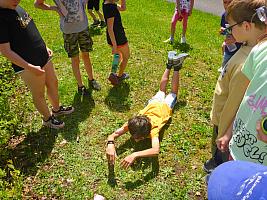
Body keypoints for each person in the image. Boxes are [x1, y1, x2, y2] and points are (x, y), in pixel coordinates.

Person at [203, 0, 267, 173]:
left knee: (221, 158)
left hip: (225, 124)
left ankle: (218, 168)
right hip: (223, 119)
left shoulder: (247, 61)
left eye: (231, 26)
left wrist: (224, 131)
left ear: (246, 26)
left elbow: (236, 103)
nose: (229, 30)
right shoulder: (249, 48)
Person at [106, 52, 188, 168]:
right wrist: (110, 144)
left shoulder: (153, 130)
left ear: (146, 135)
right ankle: (170, 64)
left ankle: (175, 66)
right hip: (154, 103)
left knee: (170, 92)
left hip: (164, 106)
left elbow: (155, 150)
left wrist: (135, 154)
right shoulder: (132, 124)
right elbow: (113, 135)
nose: (136, 140)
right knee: (162, 91)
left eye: (138, 138)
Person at [0, 0, 74, 129]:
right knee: (38, 93)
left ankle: (56, 109)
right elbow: (6, 51)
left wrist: (44, 46)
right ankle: (47, 119)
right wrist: (29, 67)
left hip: (42, 55)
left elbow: (31, 29)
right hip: (27, 64)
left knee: (53, 82)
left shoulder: (16, 6)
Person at [34, 0, 101, 94]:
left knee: (86, 55)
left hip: (83, 28)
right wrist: (54, 8)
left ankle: (91, 80)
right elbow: (37, 4)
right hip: (69, 32)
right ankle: (80, 86)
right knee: (75, 59)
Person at [103, 0, 130, 86]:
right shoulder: (111, 8)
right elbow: (110, 28)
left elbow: (123, 8)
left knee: (117, 56)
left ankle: (113, 73)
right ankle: (120, 75)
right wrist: (114, 45)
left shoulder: (107, 3)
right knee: (126, 56)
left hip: (113, 38)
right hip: (118, 37)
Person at [218, 0, 242, 72]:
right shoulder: (224, 16)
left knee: (237, 65)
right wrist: (222, 31)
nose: (228, 5)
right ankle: (223, 69)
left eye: (230, 2)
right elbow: (225, 29)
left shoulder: (240, 17)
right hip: (229, 46)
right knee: (226, 59)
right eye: (225, 2)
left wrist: (236, 39)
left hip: (240, 46)